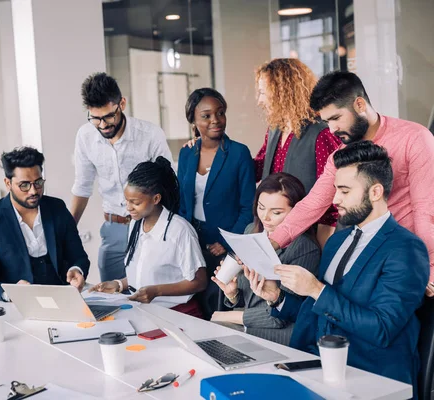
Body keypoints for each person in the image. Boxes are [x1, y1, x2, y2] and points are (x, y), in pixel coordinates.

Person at [248, 142, 428, 390]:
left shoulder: (406, 249)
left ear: (375, 192)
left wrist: (316, 289)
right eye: (335, 190)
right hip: (313, 365)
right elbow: (321, 310)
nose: (334, 200)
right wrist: (277, 297)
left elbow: (382, 328)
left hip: (371, 378)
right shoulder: (337, 242)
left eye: (344, 191)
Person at [268, 71, 434, 297]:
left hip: (406, 260)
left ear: (359, 104)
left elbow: (426, 211)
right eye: (327, 121)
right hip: (362, 257)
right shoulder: (341, 155)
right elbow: (313, 204)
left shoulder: (414, 138)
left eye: (336, 118)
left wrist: (429, 269)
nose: (332, 129)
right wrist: (271, 243)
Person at [70, 72, 173, 282]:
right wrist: (67, 233)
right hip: (113, 228)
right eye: (95, 118)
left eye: (109, 116)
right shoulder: (85, 135)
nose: (103, 124)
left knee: (148, 291)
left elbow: (169, 184)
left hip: (149, 225)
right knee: (111, 294)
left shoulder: (150, 134)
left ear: (122, 104)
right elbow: (82, 187)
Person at [210, 173, 320, 345]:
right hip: (246, 329)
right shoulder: (250, 231)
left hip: (276, 336)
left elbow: (283, 314)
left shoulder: (304, 248)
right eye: (261, 208)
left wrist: (231, 315)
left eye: (276, 212)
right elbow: (248, 298)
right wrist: (232, 294)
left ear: (297, 213)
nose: (265, 217)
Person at [89, 157, 207, 318]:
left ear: (156, 199)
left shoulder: (179, 231)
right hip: (146, 312)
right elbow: (144, 273)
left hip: (179, 315)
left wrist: (156, 291)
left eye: (135, 202)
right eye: (127, 201)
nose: (128, 207)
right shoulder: (135, 225)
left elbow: (200, 282)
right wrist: (118, 284)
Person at [0, 147, 89, 301]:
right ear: (8, 183)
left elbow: (79, 256)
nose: (33, 191)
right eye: (24, 185)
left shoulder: (57, 208)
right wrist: (9, 293)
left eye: (38, 183)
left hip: (61, 297)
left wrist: (76, 269)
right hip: (16, 304)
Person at [178, 88, 255, 318]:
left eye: (220, 113)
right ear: (193, 119)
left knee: (219, 307)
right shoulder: (187, 153)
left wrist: (225, 242)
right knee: (194, 306)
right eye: (206, 115)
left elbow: (248, 208)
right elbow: (182, 204)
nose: (216, 120)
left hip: (226, 246)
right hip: (193, 242)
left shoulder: (239, 153)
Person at [254, 59, 341, 247]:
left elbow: (331, 195)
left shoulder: (321, 133)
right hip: (276, 233)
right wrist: (213, 148)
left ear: (284, 92)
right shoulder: (274, 128)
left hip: (307, 237)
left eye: (262, 92)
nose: (259, 100)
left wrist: (322, 246)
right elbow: (258, 165)